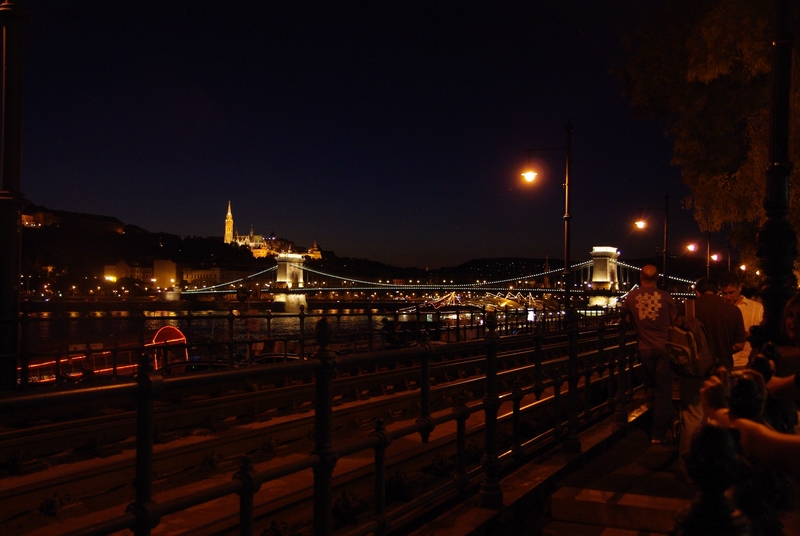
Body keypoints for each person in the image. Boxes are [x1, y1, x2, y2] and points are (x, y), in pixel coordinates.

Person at [678, 277, 746, 476]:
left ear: (697, 292)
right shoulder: (732, 310)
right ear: (717, 291)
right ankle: (719, 469)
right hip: (721, 371)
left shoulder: (687, 309)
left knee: (692, 418)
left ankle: (689, 471)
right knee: (721, 418)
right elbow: (739, 345)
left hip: (693, 371)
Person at [622, 264, 679, 443]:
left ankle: (673, 419)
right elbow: (675, 321)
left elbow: (625, 317)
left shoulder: (631, 297)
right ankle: (658, 433)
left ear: (640, 277)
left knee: (654, 387)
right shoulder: (666, 296)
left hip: (644, 349)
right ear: (657, 278)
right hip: (665, 348)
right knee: (663, 390)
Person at [718, 271, 763, 370]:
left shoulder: (756, 308)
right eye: (724, 293)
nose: (727, 297)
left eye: (731, 293)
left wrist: (745, 335)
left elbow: (763, 335)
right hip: (724, 365)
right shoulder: (719, 309)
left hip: (746, 363)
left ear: (739, 288)